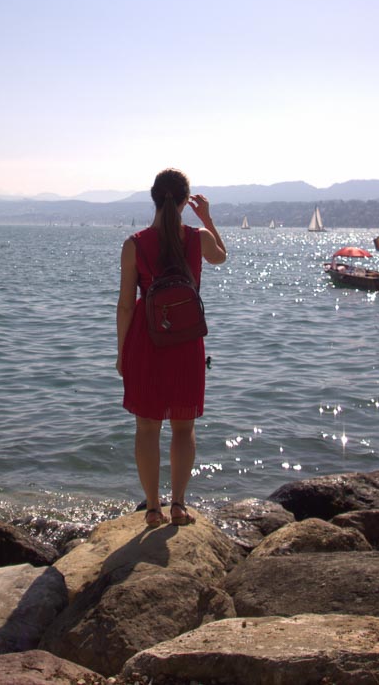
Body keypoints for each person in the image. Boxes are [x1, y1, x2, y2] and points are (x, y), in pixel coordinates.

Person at [116, 168, 227, 527]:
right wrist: (207, 218)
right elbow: (221, 257)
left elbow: (126, 305)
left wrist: (121, 353)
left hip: (146, 341)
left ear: (152, 197)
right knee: (183, 427)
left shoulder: (134, 244)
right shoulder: (199, 238)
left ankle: (152, 509)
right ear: (184, 201)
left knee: (147, 428)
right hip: (186, 341)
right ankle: (178, 505)